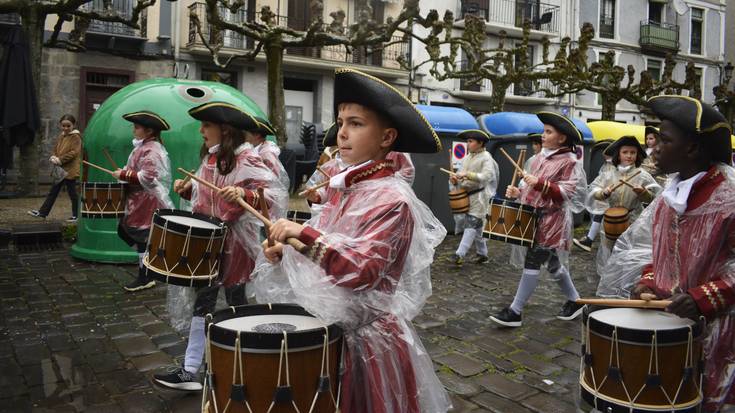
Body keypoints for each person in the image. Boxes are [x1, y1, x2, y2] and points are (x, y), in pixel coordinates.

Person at [252, 67, 451, 413]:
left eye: (356, 124)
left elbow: (363, 270)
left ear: (387, 137)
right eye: (341, 122)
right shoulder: (345, 189)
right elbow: (328, 250)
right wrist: (288, 252)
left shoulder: (393, 199)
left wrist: (304, 233)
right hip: (332, 334)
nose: (342, 134)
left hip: (367, 346)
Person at [597, 95, 734, 413]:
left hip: (722, 331)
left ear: (693, 148)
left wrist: (703, 296)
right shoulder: (669, 196)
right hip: (673, 327)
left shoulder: (729, 196)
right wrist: (648, 281)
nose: (654, 147)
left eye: (664, 140)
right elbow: (655, 253)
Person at [154, 102, 286, 391]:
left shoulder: (247, 158)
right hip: (210, 243)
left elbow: (273, 197)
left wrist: (245, 193)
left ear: (225, 130)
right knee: (207, 302)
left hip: (236, 246)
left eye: (206, 126)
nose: (201, 131)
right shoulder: (213, 158)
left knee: (235, 301)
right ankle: (193, 369)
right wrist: (188, 189)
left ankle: (252, 363)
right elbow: (206, 193)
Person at [489, 112, 587, 327]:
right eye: (544, 131)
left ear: (562, 138)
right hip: (534, 219)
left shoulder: (570, 161)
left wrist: (540, 183)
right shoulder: (539, 158)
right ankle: (576, 300)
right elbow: (529, 188)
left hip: (552, 221)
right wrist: (518, 192)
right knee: (552, 264)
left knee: (533, 260)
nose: (543, 135)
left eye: (548, 132)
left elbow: (567, 193)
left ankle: (515, 311)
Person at [583, 135, 661, 278]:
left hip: (635, 221)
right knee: (610, 253)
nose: (629, 156)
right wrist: (604, 193)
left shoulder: (642, 175)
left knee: (630, 253)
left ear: (637, 155)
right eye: (625, 152)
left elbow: (657, 196)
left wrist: (643, 193)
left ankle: (627, 283)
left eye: (633, 152)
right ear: (618, 154)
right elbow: (593, 190)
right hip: (611, 221)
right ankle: (610, 282)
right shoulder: (608, 174)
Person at [113, 111, 174, 292]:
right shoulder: (143, 146)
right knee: (127, 232)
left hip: (146, 201)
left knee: (141, 237)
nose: (133, 130)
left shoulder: (152, 149)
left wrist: (124, 174)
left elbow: (149, 176)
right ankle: (149, 265)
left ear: (149, 131)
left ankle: (145, 276)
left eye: (137, 127)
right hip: (138, 200)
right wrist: (124, 173)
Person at [449, 129, 499, 266]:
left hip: (480, 197)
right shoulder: (467, 157)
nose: (467, 144)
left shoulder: (486, 157)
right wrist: (455, 180)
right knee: (477, 227)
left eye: (470, 141)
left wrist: (468, 175)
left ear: (480, 143)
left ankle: (459, 255)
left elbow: (487, 177)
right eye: (467, 141)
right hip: (467, 196)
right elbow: (460, 175)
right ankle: (483, 254)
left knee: (471, 223)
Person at [28, 114, 82, 222]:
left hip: (70, 170)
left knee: (72, 194)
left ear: (73, 125)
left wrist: (60, 159)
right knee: (53, 192)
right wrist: (53, 156)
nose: (65, 128)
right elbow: (55, 149)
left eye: (68, 126)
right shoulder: (61, 136)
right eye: (63, 126)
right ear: (60, 125)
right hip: (59, 170)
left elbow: (74, 153)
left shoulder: (76, 137)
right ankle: (43, 213)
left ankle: (76, 216)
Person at [244, 115, 290, 219]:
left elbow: (272, 184)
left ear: (256, 135)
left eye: (246, 132)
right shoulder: (257, 151)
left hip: (265, 210)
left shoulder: (266, 154)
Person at [573, 151, 615, 252]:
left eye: (606, 152)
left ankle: (590, 240)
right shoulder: (607, 164)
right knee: (599, 215)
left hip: (612, 199)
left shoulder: (613, 165)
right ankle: (589, 240)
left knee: (600, 215)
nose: (603, 155)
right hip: (605, 196)